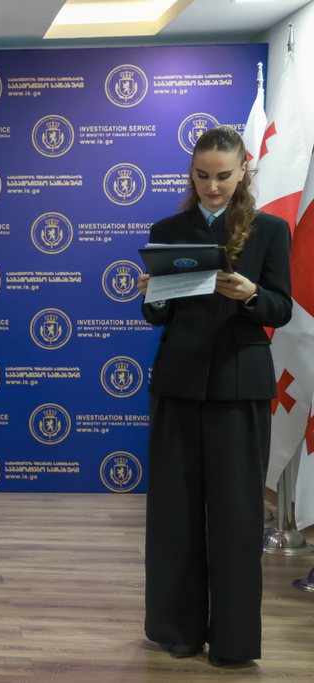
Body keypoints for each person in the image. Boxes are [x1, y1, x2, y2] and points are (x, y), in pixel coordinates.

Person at [136, 125, 291, 666]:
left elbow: (281, 308)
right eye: (202, 175)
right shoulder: (167, 229)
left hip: (239, 385)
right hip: (177, 384)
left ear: (244, 169)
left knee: (237, 514)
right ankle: (177, 627)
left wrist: (251, 295)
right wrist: (153, 294)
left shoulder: (270, 230)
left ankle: (234, 639)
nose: (212, 186)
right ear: (192, 172)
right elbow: (157, 315)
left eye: (223, 176)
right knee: (174, 510)